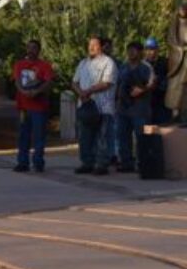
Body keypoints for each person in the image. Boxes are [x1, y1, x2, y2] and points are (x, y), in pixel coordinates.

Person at [71, 36, 118, 175]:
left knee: (102, 137)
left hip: (102, 107)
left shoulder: (108, 62)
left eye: (95, 45)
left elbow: (107, 83)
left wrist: (89, 91)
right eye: (89, 45)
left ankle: (101, 165)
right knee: (85, 137)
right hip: (85, 106)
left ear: (101, 47)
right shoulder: (83, 63)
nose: (91, 47)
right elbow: (74, 82)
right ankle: (87, 163)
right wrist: (80, 93)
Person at [11, 40, 54, 173]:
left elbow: (48, 82)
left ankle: (38, 162)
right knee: (23, 135)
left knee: (38, 136)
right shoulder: (20, 64)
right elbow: (17, 80)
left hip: (39, 107)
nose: (31, 50)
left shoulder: (44, 65)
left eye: (34, 48)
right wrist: (23, 91)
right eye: (29, 48)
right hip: (24, 106)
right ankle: (22, 162)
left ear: (39, 50)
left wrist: (37, 91)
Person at [115, 42, 155, 173]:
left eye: (134, 50)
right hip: (123, 108)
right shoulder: (123, 67)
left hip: (140, 108)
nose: (131, 53)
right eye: (129, 50)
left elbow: (152, 84)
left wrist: (142, 89)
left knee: (142, 136)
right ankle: (126, 163)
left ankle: (143, 163)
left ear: (140, 52)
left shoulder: (146, 67)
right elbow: (118, 84)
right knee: (122, 136)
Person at [144, 37, 171, 125]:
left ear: (157, 49)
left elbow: (170, 76)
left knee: (164, 126)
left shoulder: (165, 62)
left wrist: (160, 80)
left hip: (163, 99)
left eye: (152, 49)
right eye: (147, 49)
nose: (150, 52)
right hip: (148, 100)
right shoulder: (143, 64)